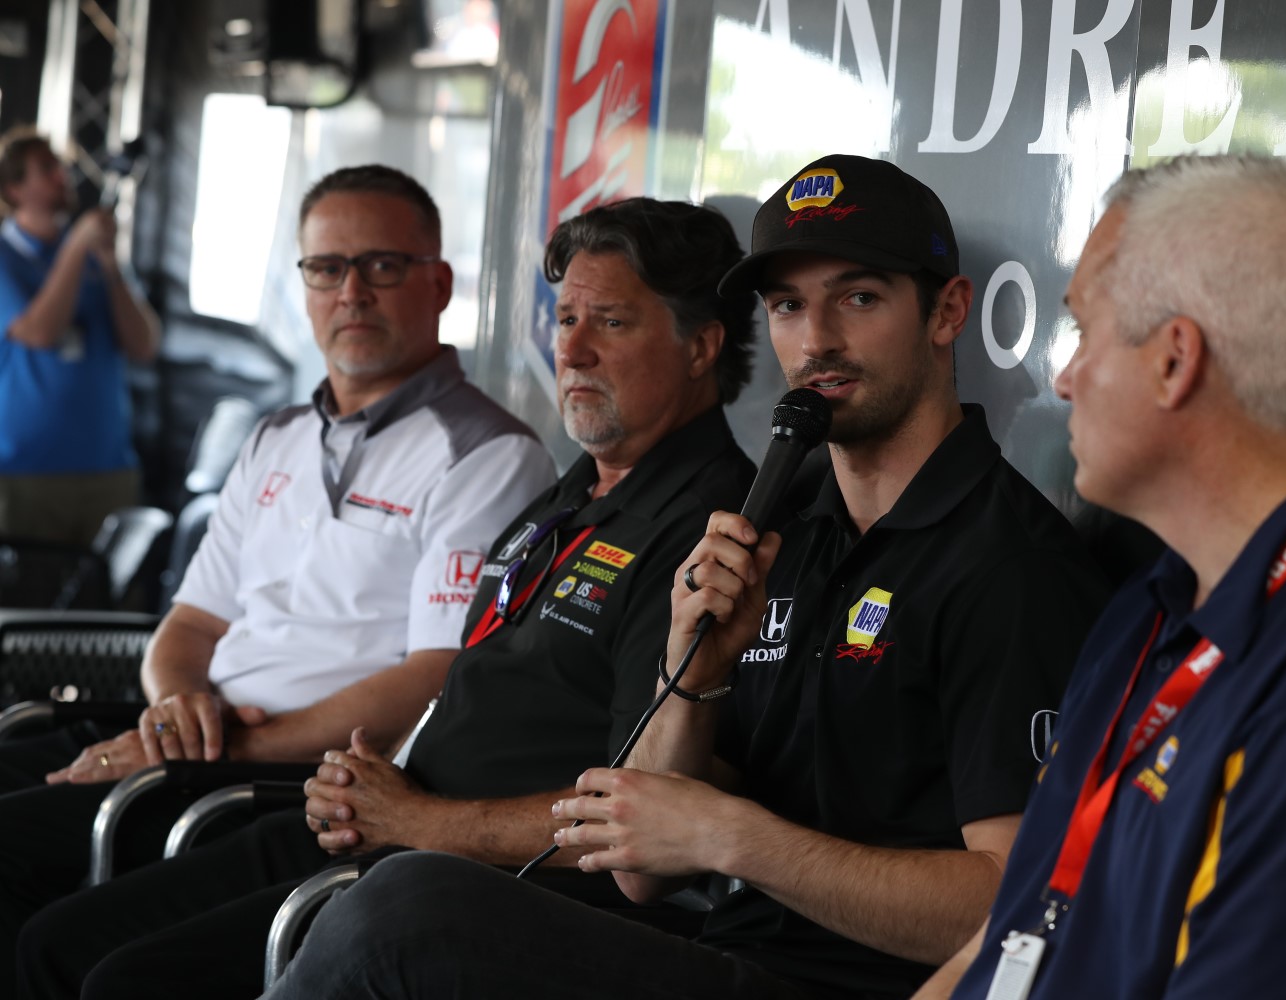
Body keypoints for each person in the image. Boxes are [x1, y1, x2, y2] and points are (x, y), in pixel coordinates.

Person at [261, 154, 1112, 1000]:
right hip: (722, 949)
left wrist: (737, 840)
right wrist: (691, 671)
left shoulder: (1010, 563)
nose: (816, 340)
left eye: (858, 298)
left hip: (857, 983)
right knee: (384, 904)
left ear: (947, 311)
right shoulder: (782, 527)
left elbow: (1018, 905)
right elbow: (642, 871)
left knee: (412, 908)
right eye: (787, 306)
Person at [16, 196, 760, 1000]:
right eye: (565, 317)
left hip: (476, 877)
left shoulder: (708, 532)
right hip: (378, 821)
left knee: (128, 982)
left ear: (701, 347)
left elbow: (641, 817)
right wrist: (364, 780)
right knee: (66, 944)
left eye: (609, 323)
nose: (570, 350)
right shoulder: (572, 494)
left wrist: (416, 820)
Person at [919, 155, 1286, 999]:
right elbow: (1015, 931)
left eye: (1084, 330)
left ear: (1174, 360)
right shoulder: (1156, 601)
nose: (1064, 375)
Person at [0, 164, 556, 988]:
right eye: (327, 268)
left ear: (438, 284)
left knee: (53, 934)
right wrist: (176, 708)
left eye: (383, 265)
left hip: (296, 776)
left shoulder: (488, 454)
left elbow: (431, 680)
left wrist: (214, 744)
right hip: (193, 740)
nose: (352, 292)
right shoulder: (276, 436)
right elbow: (186, 628)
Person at [0, 127, 161, 547]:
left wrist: (111, 268)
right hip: (26, 472)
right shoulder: (6, 258)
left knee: (109, 606)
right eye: (46, 169)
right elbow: (38, 333)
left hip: (107, 465)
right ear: (15, 189)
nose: (62, 176)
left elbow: (144, 345)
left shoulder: (92, 252)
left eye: (59, 165)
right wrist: (75, 249)